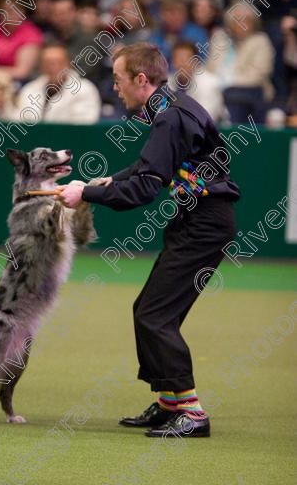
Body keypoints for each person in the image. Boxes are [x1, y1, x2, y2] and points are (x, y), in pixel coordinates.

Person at [59, 42, 240, 438]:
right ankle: (169, 404)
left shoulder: (169, 118)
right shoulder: (171, 108)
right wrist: (111, 180)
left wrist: (84, 194)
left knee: (155, 316)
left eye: (119, 80)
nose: (115, 89)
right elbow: (146, 168)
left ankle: (192, 412)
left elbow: (143, 190)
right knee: (150, 308)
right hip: (197, 220)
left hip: (205, 224)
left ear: (141, 80)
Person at [13, 45, 101, 124]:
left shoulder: (85, 89)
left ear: (68, 65)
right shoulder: (29, 89)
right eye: (47, 63)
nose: (52, 67)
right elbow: (18, 120)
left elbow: (85, 123)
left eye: (57, 63)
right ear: (41, 67)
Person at [171, 41, 228, 124]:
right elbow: (159, 115)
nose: (182, 63)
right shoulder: (166, 83)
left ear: (195, 62)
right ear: (172, 62)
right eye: (178, 58)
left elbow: (206, 118)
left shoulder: (209, 83)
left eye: (186, 58)